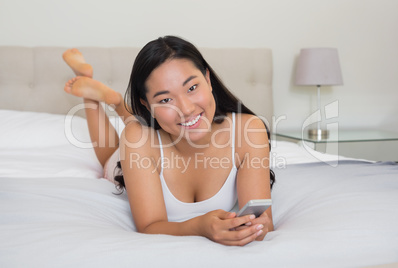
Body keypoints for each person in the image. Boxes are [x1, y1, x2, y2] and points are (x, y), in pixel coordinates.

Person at [63, 36, 275, 246]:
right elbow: (149, 226)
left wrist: (259, 227)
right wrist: (200, 226)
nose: (186, 109)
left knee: (144, 129)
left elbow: (263, 221)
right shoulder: (136, 140)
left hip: (154, 134)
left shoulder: (248, 130)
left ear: (208, 80)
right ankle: (91, 94)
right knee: (112, 154)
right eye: (165, 99)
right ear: (146, 104)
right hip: (143, 146)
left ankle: (118, 103)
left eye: (192, 88)